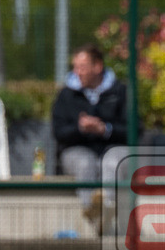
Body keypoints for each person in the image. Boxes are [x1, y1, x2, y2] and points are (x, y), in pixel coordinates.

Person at [51, 44, 129, 232]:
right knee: (85, 163)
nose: (78, 72)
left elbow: (134, 130)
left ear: (97, 67)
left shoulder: (121, 92)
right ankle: (95, 215)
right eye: (75, 67)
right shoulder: (66, 95)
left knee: (111, 162)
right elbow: (59, 132)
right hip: (77, 149)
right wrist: (81, 128)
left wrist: (105, 129)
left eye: (82, 67)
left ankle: (104, 209)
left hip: (114, 147)